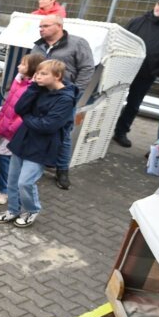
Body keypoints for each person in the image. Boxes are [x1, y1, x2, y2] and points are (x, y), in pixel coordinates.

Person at [0, 60, 79, 228]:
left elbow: (48, 125)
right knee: (12, 179)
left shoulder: (66, 99)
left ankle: (31, 210)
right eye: (37, 73)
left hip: (42, 146)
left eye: (43, 74)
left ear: (57, 76)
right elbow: (20, 108)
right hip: (23, 140)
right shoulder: (39, 89)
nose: (38, 76)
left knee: (25, 182)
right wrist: (32, 88)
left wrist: (27, 117)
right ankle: (13, 209)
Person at [31, 15, 94, 189]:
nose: (41, 29)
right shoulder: (38, 45)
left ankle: (62, 170)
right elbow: (32, 67)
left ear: (59, 26)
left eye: (45, 25)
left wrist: (74, 92)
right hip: (41, 96)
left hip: (63, 98)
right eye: (40, 26)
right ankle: (38, 163)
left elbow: (87, 68)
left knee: (63, 134)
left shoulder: (77, 43)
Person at [113, 0, 159, 147]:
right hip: (123, 69)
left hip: (146, 74)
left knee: (133, 104)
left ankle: (121, 132)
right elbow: (120, 40)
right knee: (111, 99)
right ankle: (102, 128)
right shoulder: (138, 21)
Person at [0, 53, 44, 206]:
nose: (18, 66)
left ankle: (5, 190)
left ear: (32, 68)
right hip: (5, 126)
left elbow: (24, 113)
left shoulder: (33, 89)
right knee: (2, 158)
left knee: (4, 160)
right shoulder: (20, 82)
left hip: (12, 132)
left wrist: (10, 128)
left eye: (23, 64)